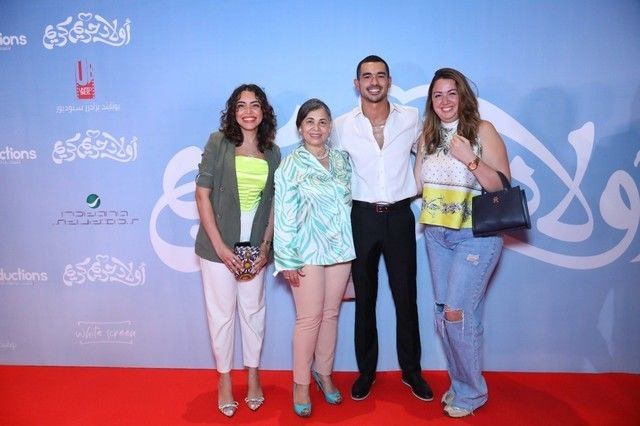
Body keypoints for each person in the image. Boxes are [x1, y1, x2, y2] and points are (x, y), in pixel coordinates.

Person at [332, 55, 433, 401]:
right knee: (365, 299)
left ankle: (412, 371)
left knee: (406, 297)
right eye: (366, 76)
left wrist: (419, 183)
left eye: (380, 76)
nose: (373, 82)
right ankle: (366, 373)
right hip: (361, 218)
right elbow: (332, 172)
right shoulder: (341, 125)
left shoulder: (411, 118)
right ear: (356, 83)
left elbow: (429, 151)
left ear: (389, 81)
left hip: (400, 217)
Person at [414, 68, 510, 418]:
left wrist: (469, 158)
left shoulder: (482, 130)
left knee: (457, 314)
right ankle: (460, 384)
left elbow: (501, 186)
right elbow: (417, 186)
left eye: (451, 93)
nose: (445, 101)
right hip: (436, 235)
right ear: (431, 101)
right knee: (447, 314)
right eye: (437, 95)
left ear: (463, 96)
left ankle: (471, 393)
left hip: (475, 236)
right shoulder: (428, 136)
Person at [194, 83, 281, 418]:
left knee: (253, 310)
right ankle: (225, 381)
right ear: (233, 111)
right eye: (241, 105)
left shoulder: (272, 151)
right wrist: (219, 246)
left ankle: (254, 376)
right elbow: (202, 194)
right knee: (221, 314)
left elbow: (273, 203)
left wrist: (266, 246)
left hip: (254, 244)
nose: (248, 111)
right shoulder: (218, 143)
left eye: (255, 105)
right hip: (218, 243)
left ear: (263, 111)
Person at [274, 98, 355, 417]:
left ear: (330, 126)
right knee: (309, 319)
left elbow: (348, 204)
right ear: (300, 128)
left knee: (331, 314)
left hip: (340, 249)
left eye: (322, 122)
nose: (316, 128)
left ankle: (324, 373)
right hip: (305, 251)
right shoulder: (290, 164)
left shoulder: (341, 160)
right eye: (310, 122)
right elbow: (283, 214)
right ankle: (301, 383)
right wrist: (286, 259)